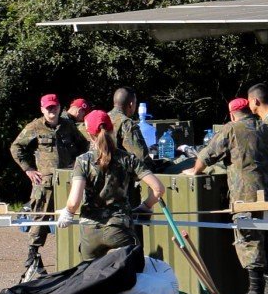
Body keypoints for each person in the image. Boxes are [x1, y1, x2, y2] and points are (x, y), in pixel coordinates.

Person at [192, 97, 268, 294]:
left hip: (246, 195)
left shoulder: (231, 129)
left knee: (249, 240)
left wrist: (194, 171)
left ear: (232, 114)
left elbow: (207, 155)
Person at [62, 109, 165, 267]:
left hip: (91, 230)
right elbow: (158, 189)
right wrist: (146, 206)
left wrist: (67, 213)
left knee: (89, 279)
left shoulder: (82, 161)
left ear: (90, 135)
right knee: (130, 276)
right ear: (112, 129)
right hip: (119, 228)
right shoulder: (127, 158)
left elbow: (73, 202)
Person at [9, 93, 88, 281]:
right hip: (45, 185)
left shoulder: (68, 126)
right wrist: (28, 169)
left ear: (60, 107)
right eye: (48, 108)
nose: (52, 111)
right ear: (42, 110)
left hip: (69, 183)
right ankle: (33, 258)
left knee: (73, 219)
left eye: (54, 107)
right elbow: (16, 147)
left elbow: (83, 146)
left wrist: (79, 166)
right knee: (40, 220)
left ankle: (75, 261)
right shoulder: (34, 127)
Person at [110, 87, 149, 160]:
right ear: (131, 104)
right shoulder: (126, 123)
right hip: (120, 169)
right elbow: (141, 157)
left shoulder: (103, 118)